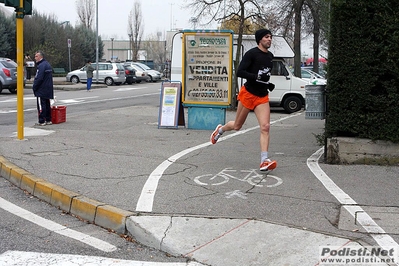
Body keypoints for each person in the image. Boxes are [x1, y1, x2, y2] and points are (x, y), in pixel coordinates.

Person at [210, 29, 277, 172]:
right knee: (237, 126)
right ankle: (220, 130)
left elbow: (264, 75)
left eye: (271, 37)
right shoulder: (251, 54)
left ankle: (264, 160)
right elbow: (240, 71)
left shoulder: (270, 56)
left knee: (265, 127)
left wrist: (267, 84)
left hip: (262, 96)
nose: (269, 39)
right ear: (260, 40)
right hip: (248, 94)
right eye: (267, 37)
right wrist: (256, 78)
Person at [32, 51, 54, 126]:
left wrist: (34, 87)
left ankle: (42, 120)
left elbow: (39, 78)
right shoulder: (47, 64)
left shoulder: (41, 66)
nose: (35, 58)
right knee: (47, 104)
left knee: (41, 105)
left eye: (36, 56)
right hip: (48, 88)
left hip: (41, 88)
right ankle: (48, 119)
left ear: (41, 57)